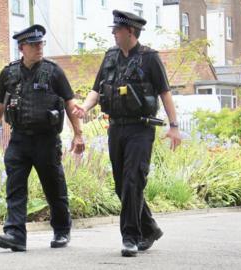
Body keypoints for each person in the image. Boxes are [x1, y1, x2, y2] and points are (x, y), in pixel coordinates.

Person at [72, 10, 182, 257]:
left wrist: (174, 127)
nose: (113, 33)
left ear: (130, 31)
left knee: (133, 180)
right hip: (116, 128)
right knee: (122, 186)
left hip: (140, 129)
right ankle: (150, 228)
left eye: (117, 29)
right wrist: (85, 107)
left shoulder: (149, 58)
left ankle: (130, 237)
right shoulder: (110, 56)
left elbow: (165, 93)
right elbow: (97, 89)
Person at [0, 24, 85, 252]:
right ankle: (15, 235)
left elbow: (70, 103)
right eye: (34, 44)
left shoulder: (54, 72)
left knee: (54, 187)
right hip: (19, 139)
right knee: (15, 188)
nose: (39, 48)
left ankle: (61, 230)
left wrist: (78, 134)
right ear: (22, 48)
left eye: (41, 44)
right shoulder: (9, 73)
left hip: (47, 140)